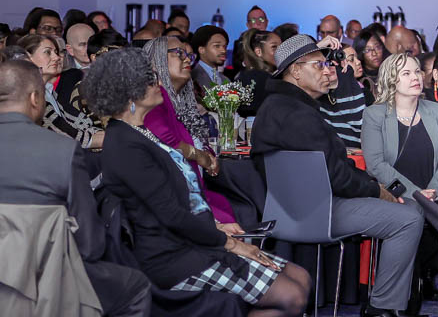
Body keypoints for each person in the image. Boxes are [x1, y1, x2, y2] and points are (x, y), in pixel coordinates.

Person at [86, 48, 309, 316]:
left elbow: (179, 200)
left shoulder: (140, 133)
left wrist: (216, 226)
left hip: (187, 242)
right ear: (129, 92)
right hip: (170, 256)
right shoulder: (125, 144)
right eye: (150, 80)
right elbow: (171, 214)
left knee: (300, 278)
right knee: (292, 295)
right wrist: (231, 243)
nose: (159, 84)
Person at [251, 35, 423, 317]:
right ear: (295, 71)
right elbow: (337, 177)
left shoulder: (278, 106)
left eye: (327, 64)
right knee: (409, 217)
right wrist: (377, 190)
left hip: (294, 207)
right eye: (318, 65)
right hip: (317, 210)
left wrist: (371, 184)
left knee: (405, 206)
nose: (328, 70)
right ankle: (383, 307)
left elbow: (331, 170)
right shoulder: (297, 114)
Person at [0, 58, 153, 317]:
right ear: (36, 98)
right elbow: (90, 244)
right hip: (49, 277)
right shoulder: (62, 150)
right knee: (136, 286)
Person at [362, 54, 438, 310]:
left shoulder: (434, 110)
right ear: (391, 79)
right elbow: (376, 165)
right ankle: (404, 301)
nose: (415, 77)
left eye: (417, 72)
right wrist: (417, 194)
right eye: (406, 73)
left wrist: (435, 189)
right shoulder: (375, 115)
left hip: (434, 193)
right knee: (412, 221)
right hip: (397, 194)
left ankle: (424, 286)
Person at [141, 37, 241, 228]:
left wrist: (209, 156)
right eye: (179, 53)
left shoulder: (183, 101)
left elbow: (197, 140)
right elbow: (164, 142)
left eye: (188, 55)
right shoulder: (154, 98)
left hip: (195, 190)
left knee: (236, 207)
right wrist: (200, 156)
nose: (187, 59)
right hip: (173, 197)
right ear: (157, 59)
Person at [19, 33, 104, 151]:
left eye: (56, 52)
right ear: (28, 58)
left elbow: (77, 125)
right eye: (48, 52)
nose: (57, 57)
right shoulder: (30, 96)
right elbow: (66, 136)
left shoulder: (49, 92)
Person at [234, 29, 280, 117]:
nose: (280, 51)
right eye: (274, 47)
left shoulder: (247, 75)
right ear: (258, 51)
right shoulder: (261, 79)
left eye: (281, 47)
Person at [190, 25, 230, 91]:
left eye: (225, 46)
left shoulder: (226, 80)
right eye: (217, 46)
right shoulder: (192, 78)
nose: (223, 51)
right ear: (201, 49)